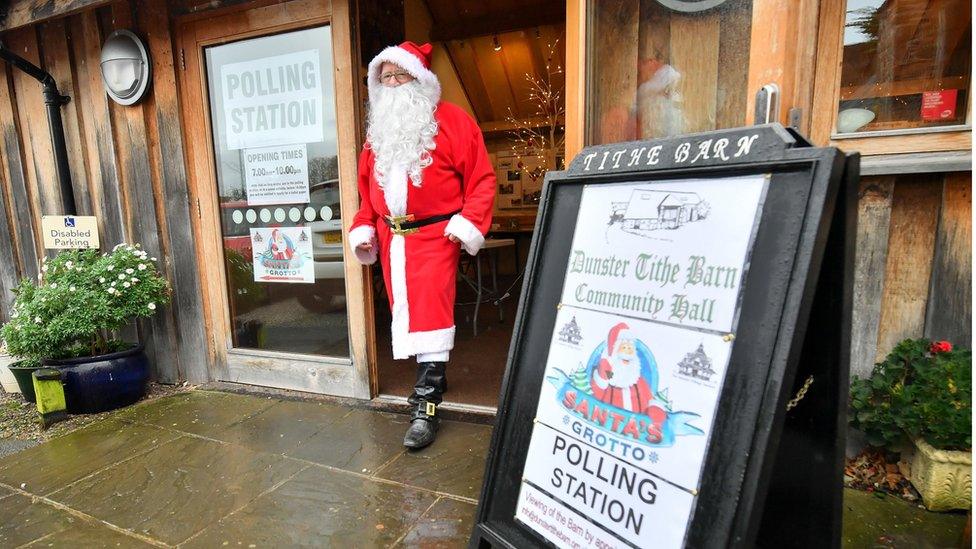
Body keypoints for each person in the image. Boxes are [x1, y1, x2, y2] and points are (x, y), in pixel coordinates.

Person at [346, 42, 496, 449]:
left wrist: (466, 224)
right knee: (409, 321)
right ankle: (423, 400)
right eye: (386, 77)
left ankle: (425, 409)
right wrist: (364, 226)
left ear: (421, 79)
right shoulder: (376, 135)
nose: (392, 84)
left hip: (435, 238)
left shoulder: (453, 122)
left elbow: (482, 180)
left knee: (431, 325)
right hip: (394, 242)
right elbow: (366, 196)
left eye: (401, 75)